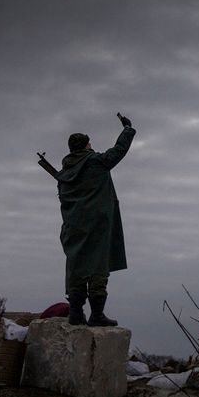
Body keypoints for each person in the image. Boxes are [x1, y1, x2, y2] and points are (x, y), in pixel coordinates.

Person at [55, 113, 136, 326]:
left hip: (72, 228)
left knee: (76, 268)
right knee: (98, 268)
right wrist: (127, 129)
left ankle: (75, 313)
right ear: (86, 146)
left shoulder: (63, 175)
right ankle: (96, 314)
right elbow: (118, 151)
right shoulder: (96, 162)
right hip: (96, 225)